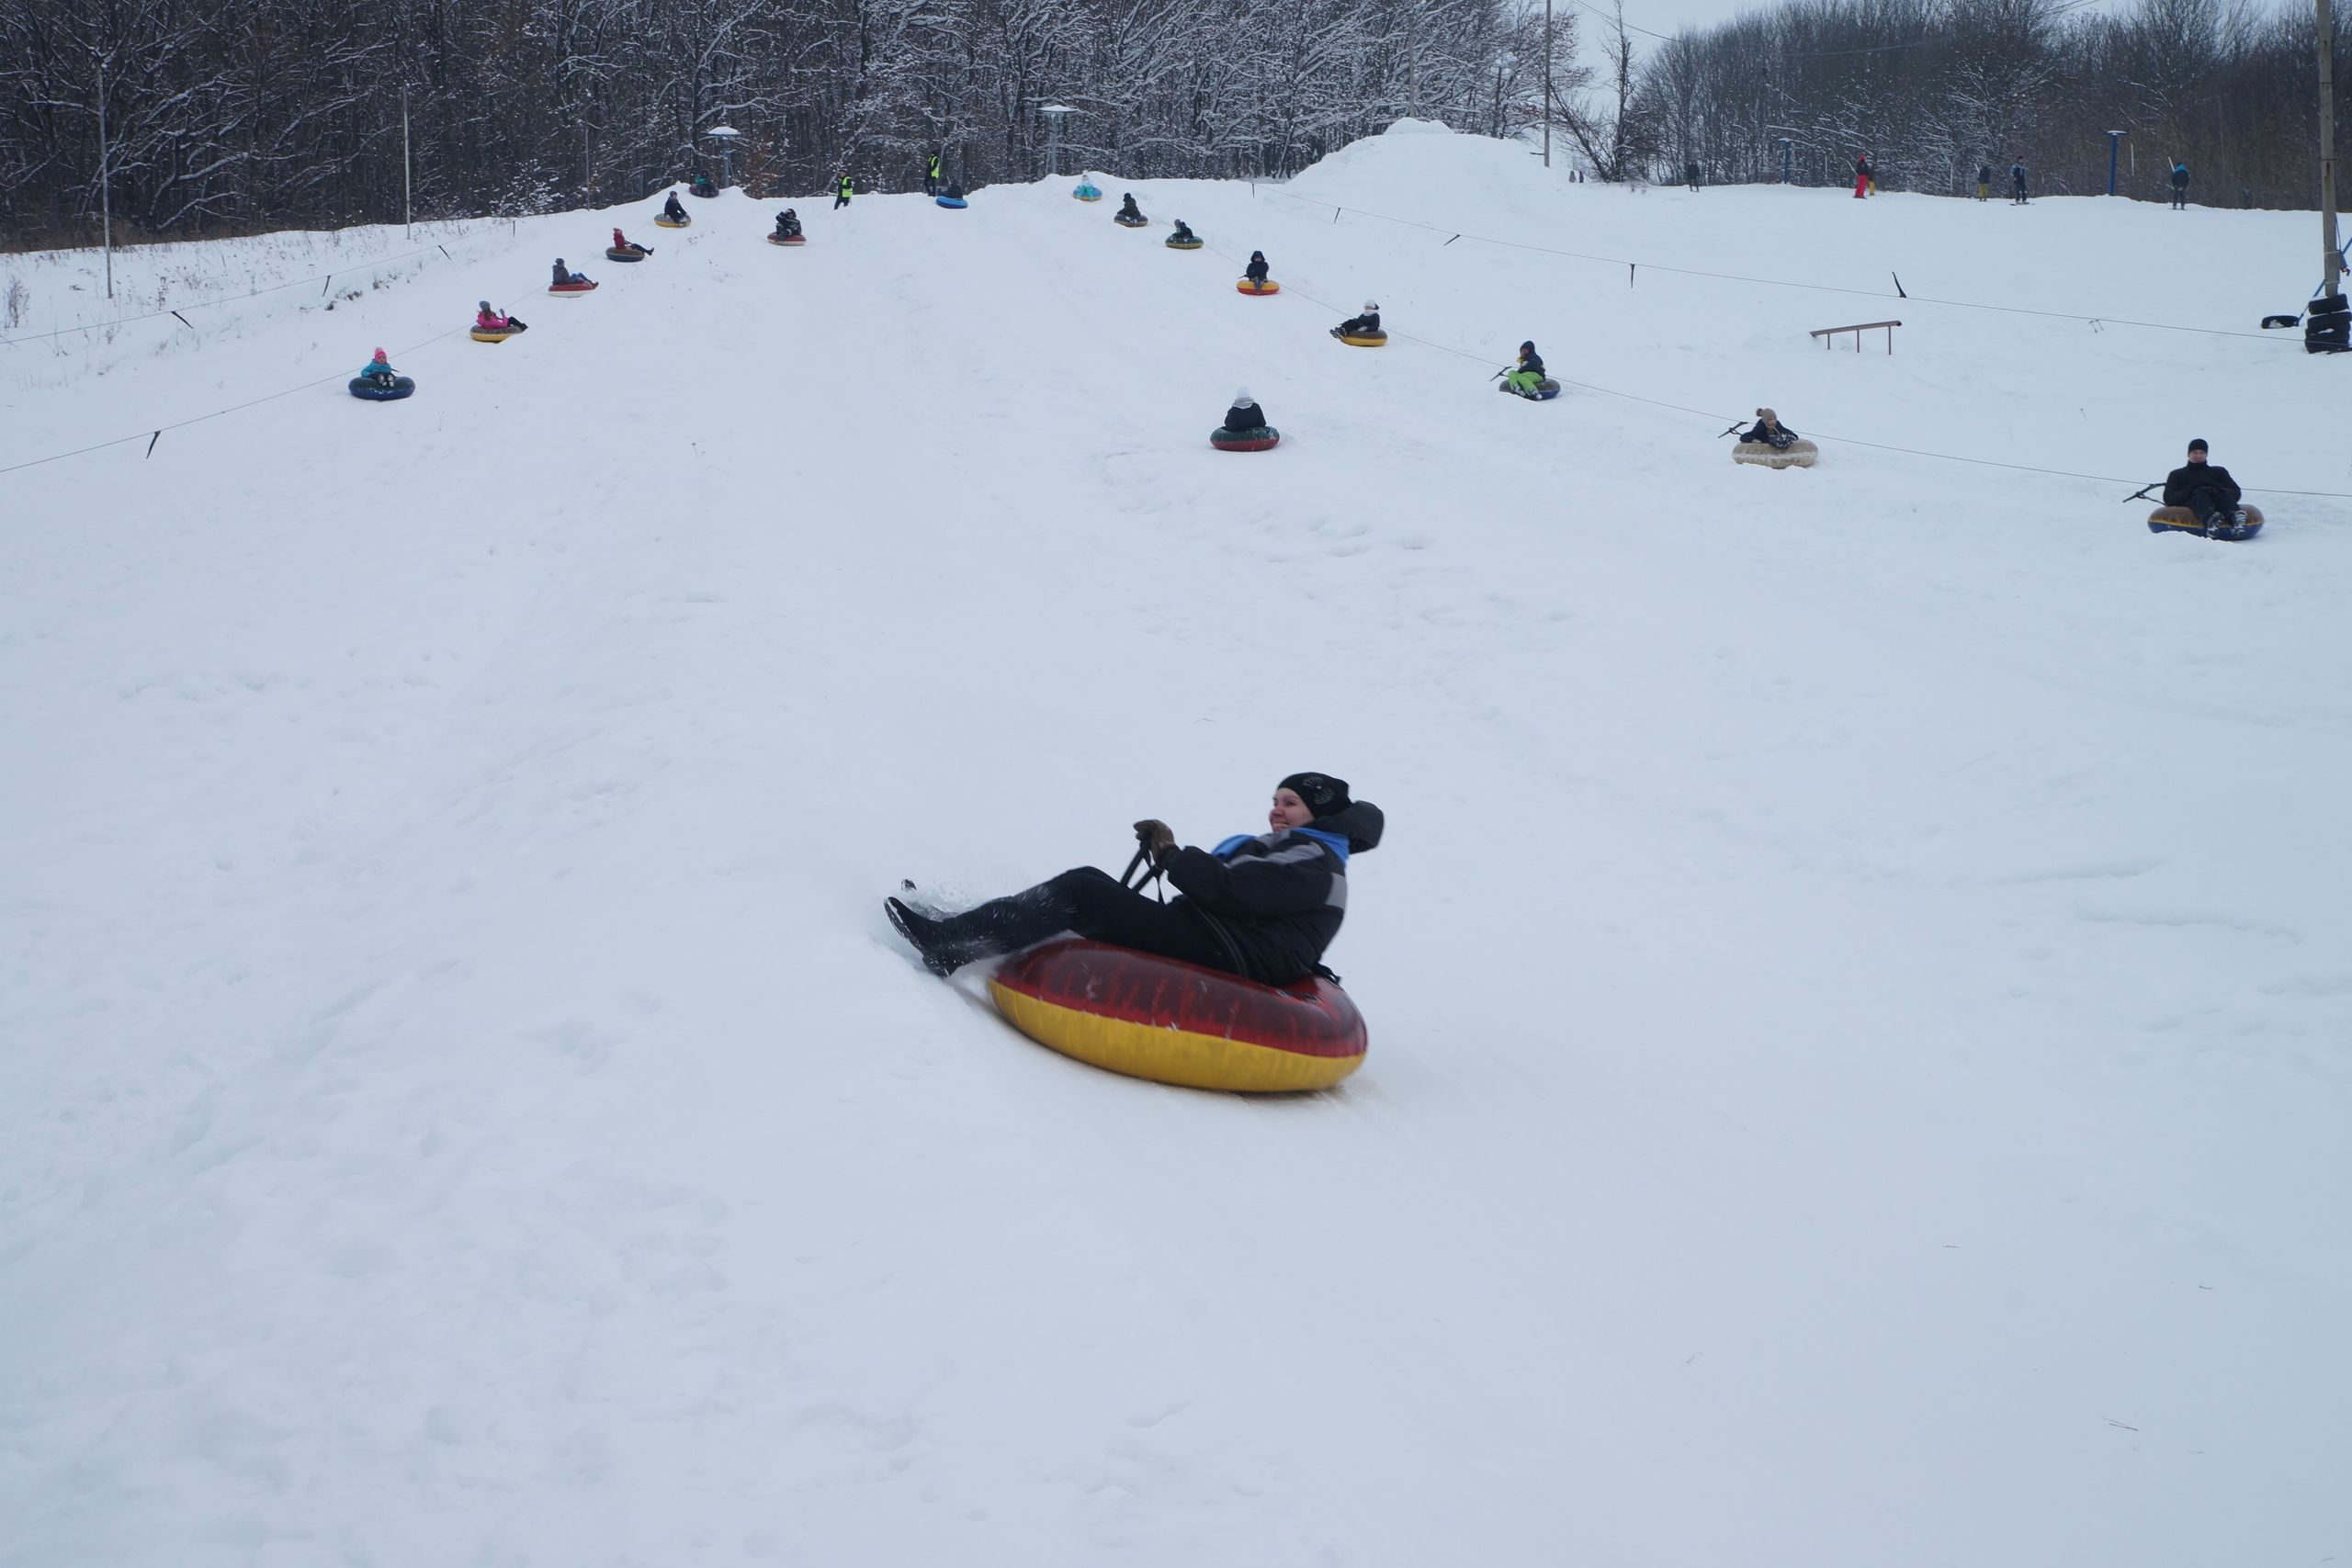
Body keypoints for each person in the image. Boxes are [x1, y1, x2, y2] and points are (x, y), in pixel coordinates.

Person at [884, 773, 1384, 986]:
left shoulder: (1314, 862)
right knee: (1091, 883)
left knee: (1083, 890)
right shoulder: (1302, 853)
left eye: (1290, 803)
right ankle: (959, 928)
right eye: (1275, 799)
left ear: (1317, 815)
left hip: (1232, 952)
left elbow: (1233, 893)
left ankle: (951, 943)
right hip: (1222, 939)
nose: (1276, 809)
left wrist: (1170, 854)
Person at [2163, 439, 2246, 535]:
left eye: (2202, 453)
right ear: (2188, 454)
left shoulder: (2219, 472)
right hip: (2196, 502)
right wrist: (2193, 489)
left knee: (2223, 495)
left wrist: (2215, 489)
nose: (2198, 456)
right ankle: (2211, 520)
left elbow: (2236, 492)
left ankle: (2235, 518)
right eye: (2195, 452)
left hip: (2220, 499)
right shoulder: (2177, 475)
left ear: (2206, 455)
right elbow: (2169, 498)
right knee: (2199, 494)